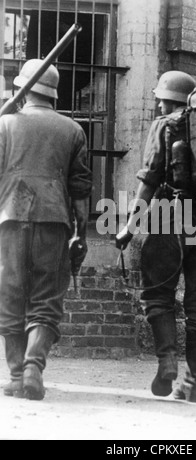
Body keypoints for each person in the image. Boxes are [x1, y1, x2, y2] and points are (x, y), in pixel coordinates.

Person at [116, 71, 196, 403]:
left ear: (164, 99)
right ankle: (194, 383)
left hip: (170, 219)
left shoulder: (164, 125)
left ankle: (167, 361)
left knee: (157, 296)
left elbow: (149, 179)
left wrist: (129, 226)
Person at [0, 59, 92, 400]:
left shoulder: (5, 123)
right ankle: (33, 367)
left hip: (9, 218)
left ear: (23, 90)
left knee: (10, 295)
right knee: (46, 299)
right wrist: (81, 231)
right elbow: (81, 189)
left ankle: (15, 376)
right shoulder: (72, 130)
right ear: (53, 94)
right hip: (53, 221)